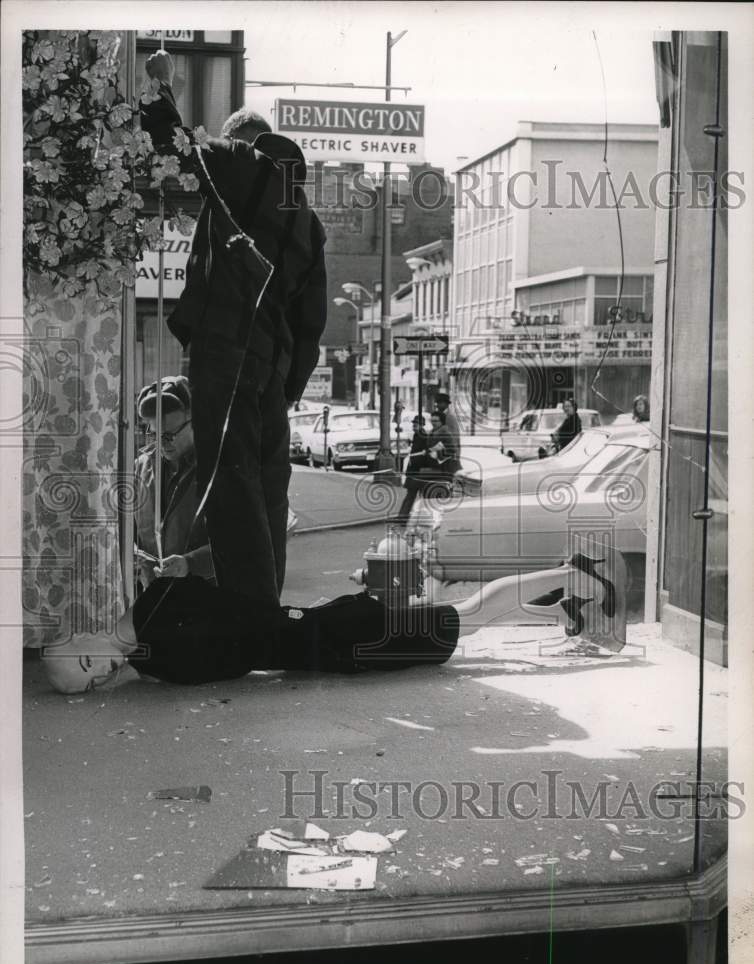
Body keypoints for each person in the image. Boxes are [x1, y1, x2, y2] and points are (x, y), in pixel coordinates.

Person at [140, 50, 327, 607]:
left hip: (226, 355)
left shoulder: (241, 162)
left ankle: (242, 616)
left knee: (229, 487)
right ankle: (264, 607)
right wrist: (283, 389)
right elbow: (310, 324)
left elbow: (174, 144)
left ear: (239, 139)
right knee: (268, 490)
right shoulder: (307, 220)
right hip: (271, 371)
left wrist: (160, 84)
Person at [41, 545, 628, 693]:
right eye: (92, 681)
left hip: (339, 636)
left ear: (80, 634)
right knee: (461, 622)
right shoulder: (154, 647)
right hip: (331, 641)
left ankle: (570, 575)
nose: (102, 673)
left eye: (87, 661)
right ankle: (563, 610)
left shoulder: (159, 612)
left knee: (466, 618)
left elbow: (242, 623)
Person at [134, 376, 215, 591]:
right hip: (152, 595)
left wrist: (190, 563)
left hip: (202, 599)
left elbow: (242, 543)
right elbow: (128, 527)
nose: (161, 443)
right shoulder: (141, 466)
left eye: (169, 435)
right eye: (154, 434)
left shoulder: (218, 471)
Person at [396, 414, 428, 525]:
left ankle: (403, 517)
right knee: (413, 495)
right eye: (414, 423)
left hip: (417, 470)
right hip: (415, 469)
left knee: (412, 495)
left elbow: (419, 455)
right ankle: (403, 517)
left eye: (417, 423)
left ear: (422, 425)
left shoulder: (421, 435)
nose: (414, 425)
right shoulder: (418, 435)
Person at [433, 391, 462, 473]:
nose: (437, 405)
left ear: (446, 404)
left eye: (440, 403)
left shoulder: (449, 417)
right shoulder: (441, 415)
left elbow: (453, 438)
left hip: (448, 455)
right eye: (437, 403)